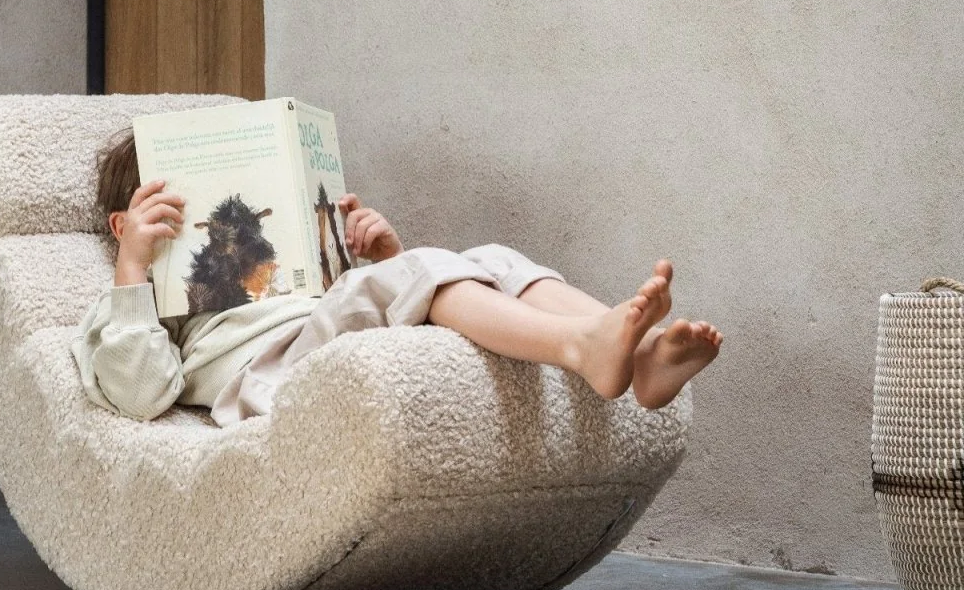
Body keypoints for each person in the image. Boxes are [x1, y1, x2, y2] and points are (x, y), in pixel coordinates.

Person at [72, 129, 723, 427]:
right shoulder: (125, 304)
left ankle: (636, 354)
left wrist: (384, 256)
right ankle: (580, 348)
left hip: (319, 324)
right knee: (412, 275)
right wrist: (133, 268)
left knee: (493, 256)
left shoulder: (272, 266)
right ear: (122, 223)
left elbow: (364, 306)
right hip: (267, 373)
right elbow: (142, 394)